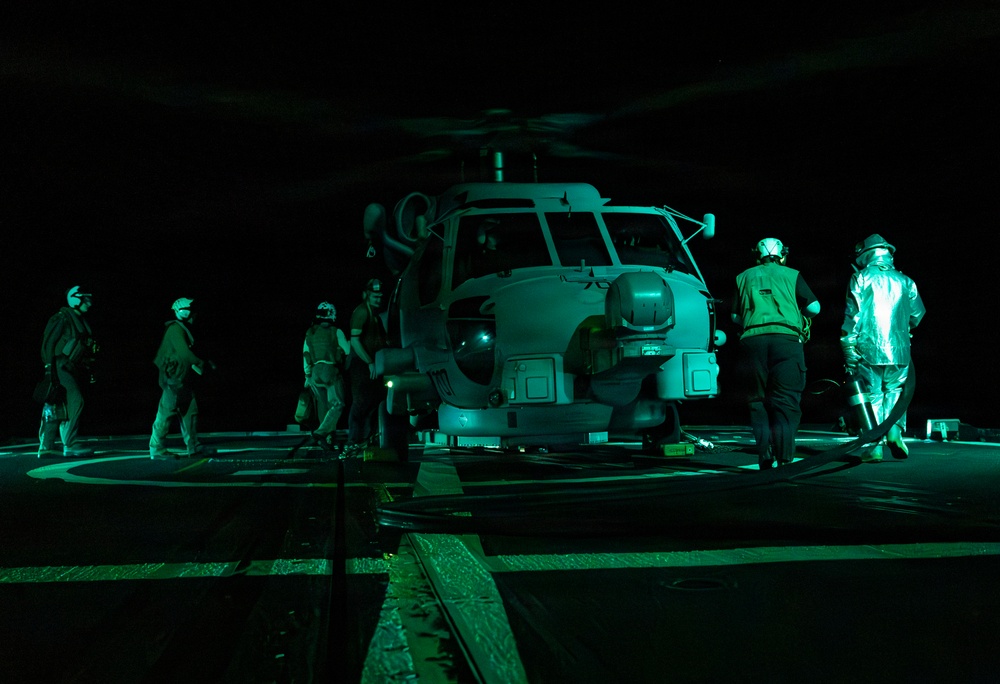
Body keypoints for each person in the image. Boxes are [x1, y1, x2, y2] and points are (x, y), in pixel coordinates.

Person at [732, 238, 821, 469]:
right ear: (782, 254)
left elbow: (735, 317)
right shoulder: (792, 274)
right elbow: (814, 308)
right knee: (786, 400)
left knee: (757, 400)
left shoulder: (742, 277)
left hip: (752, 342)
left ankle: (764, 455)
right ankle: (785, 458)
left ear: (757, 255)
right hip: (787, 341)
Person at [840, 234, 925, 462]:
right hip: (899, 348)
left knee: (873, 395)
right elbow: (918, 313)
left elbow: (852, 316)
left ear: (865, 254)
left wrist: (848, 348)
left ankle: (873, 446)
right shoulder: (905, 280)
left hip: (869, 346)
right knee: (896, 391)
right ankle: (895, 432)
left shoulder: (861, 278)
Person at [38, 286, 98, 458]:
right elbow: (48, 344)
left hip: (71, 368)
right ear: (75, 299)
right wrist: (49, 370)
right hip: (60, 366)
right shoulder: (62, 318)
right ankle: (70, 443)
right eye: (85, 299)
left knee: (57, 405)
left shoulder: (79, 320)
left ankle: (46, 445)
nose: (89, 302)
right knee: (75, 401)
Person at [149, 298, 213, 459]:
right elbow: (184, 353)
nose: (191, 311)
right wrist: (201, 363)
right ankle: (156, 448)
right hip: (173, 379)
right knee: (166, 412)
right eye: (188, 308)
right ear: (180, 310)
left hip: (181, 378)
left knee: (190, 411)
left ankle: (193, 446)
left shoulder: (182, 328)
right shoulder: (175, 329)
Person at [345, 278, 388, 454]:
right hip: (360, 365)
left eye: (380, 295)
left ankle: (366, 438)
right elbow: (355, 341)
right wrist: (369, 362)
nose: (378, 299)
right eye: (374, 295)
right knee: (360, 402)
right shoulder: (362, 312)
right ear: (367, 295)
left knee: (375, 400)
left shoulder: (376, 314)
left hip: (372, 366)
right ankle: (353, 440)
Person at [303, 301, 350, 451]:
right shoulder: (336, 331)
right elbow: (348, 350)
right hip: (330, 371)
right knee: (336, 405)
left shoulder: (310, 332)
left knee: (324, 407)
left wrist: (307, 376)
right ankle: (321, 433)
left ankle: (327, 440)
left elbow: (305, 355)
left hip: (314, 374)